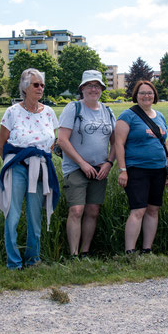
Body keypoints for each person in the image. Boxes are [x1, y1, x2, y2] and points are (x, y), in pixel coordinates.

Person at [0, 68, 59, 270]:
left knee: (34, 216)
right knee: (12, 215)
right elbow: (1, 144)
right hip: (18, 168)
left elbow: (52, 142)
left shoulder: (49, 112)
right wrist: (14, 164)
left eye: (42, 85)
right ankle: (13, 262)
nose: (40, 88)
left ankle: (33, 259)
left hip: (39, 169)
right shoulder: (12, 112)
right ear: (25, 87)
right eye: (35, 84)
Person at [57, 70, 116, 258]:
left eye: (97, 86)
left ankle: (85, 252)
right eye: (89, 85)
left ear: (101, 89)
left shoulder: (108, 111)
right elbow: (62, 140)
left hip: (100, 169)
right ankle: (73, 254)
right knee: (76, 209)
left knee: (93, 210)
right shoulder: (73, 108)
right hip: (76, 168)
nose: (93, 89)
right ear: (82, 88)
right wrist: (82, 164)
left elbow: (116, 142)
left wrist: (109, 163)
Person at [115, 80, 168, 254]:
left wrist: (167, 168)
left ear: (154, 95)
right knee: (138, 209)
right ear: (136, 96)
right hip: (136, 169)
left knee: (153, 209)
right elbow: (118, 144)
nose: (146, 96)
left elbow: (163, 143)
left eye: (149, 92)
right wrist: (122, 170)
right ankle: (130, 251)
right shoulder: (128, 115)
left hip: (159, 169)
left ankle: (147, 249)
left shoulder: (160, 116)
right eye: (142, 93)